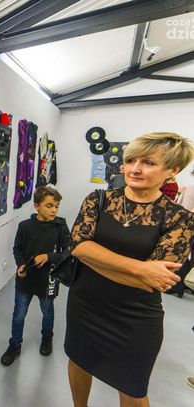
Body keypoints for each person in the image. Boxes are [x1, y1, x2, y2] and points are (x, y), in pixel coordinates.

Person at [65, 132, 194, 407]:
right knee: (78, 360)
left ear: (172, 170)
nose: (135, 169)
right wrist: (140, 268)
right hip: (85, 303)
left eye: (148, 163)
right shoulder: (98, 199)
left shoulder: (180, 218)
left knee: (133, 389)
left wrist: (94, 257)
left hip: (134, 316)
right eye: (131, 160)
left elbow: (155, 282)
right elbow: (78, 246)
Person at [0, 186, 70, 366]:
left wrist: (48, 257)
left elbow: (68, 252)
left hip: (48, 279)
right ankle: (15, 345)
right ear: (36, 206)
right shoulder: (25, 226)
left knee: (47, 312)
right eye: (49, 205)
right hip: (26, 279)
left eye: (57, 206)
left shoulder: (61, 227)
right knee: (19, 314)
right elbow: (17, 249)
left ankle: (47, 338)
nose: (54, 210)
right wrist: (21, 265)